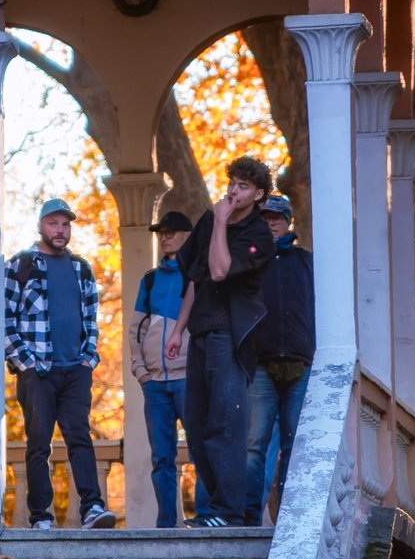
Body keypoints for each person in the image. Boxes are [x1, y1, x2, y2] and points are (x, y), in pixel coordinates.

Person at [166, 156, 275, 528]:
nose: (233, 192)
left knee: (225, 425)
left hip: (230, 336)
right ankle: (215, 509)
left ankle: (228, 512)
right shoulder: (210, 220)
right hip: (200, 333)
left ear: (258, 195)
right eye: (232, 183)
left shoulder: (259, 235)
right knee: (197, 427)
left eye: (243, 186)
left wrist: (219, 224)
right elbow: (197, 279)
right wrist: (178, 330)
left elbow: (218, 269)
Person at [4, 198, 116, 530]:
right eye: (53, 223)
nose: (60, 230)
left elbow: (91, 319)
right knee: (39, 443)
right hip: (37, 371)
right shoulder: (20, 265)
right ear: (40, 225)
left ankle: (92, 508)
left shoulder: (81, 268)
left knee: (80, 437)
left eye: (65, 224)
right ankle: (41, 516)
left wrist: (88, 358)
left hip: (75, 370)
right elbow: (5, 320)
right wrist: (25, 362)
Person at [128, 211, 210, 527]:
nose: (164, 237)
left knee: (200, 450)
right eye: (160, 232)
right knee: (161, 457)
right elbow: (135, 329)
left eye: (171, 232)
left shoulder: (199, 276)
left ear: (187, 236)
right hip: (155, 384)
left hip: (188, 379)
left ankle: (205, 515)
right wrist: (141, 372)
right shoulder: (150, 280)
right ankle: (166, 523)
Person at [243, 194, 315, 526]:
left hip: (300, 363)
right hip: (260, 363)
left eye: (277, 218)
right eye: (265, 218)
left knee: (293, 444)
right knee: (254, 444)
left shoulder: (306, 262)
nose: (271, 223)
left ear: (288, 222)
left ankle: (287, 516)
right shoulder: (249, 261)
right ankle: (248, 516)